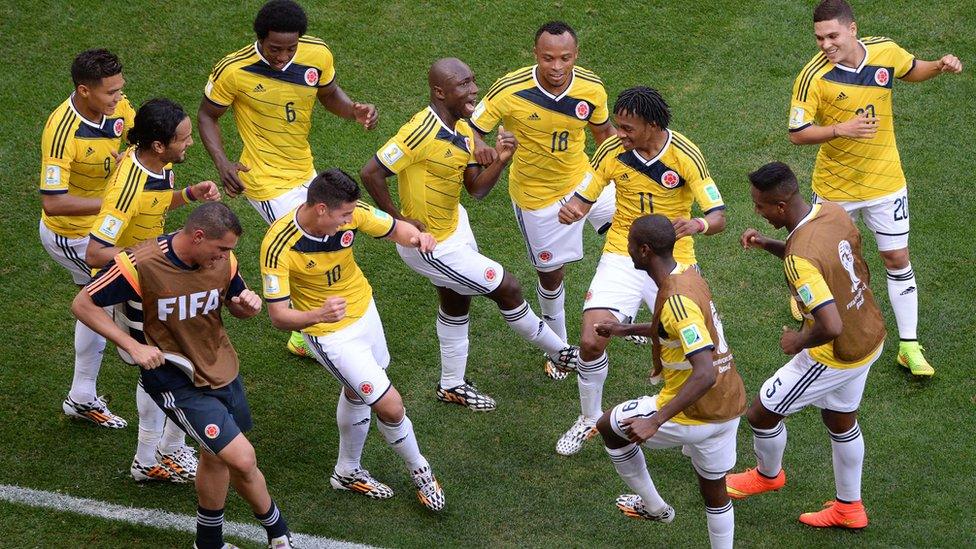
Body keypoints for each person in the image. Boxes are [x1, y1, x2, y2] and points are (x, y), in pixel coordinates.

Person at [360, 58, 577, 412]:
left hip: (455, 225)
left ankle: (452, 385)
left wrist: (501, 160)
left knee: (455, 299)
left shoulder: (462, 129)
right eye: (463, 84)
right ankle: (563, 354)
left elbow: (475, 190)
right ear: (440, 92)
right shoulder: (419, 131)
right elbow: (371, 173)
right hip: (431, 245)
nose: (474, 89)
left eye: (473, 81)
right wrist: (399, 223)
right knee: (506, 286)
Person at [73, 202, 294, 549]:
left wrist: (244, 306)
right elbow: (83, 304)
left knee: (215, 455)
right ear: (198, 236)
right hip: (174, 378)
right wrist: (132, 346)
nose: (225, 257)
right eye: (221, 249)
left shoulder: (224, 262)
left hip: (220, 366)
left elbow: (234, 304)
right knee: (241, 457)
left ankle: (208, 544)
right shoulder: (138, 264)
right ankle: (281, 536)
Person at [787, 0, 962, 376]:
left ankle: (909, 346)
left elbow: (911, 69)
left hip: (886, 182)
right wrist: (839, 129)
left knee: (897, 259)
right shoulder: (812, 77)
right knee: (823, 263)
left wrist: (939, 66)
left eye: (832, 35)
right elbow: (797, 132)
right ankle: (809, 308)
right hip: (835, 189)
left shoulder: (884, 50)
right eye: (819, 37)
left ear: (852, 29)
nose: (825, 45)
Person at [198, 0, 378, 359]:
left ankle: (301, 332)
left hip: (304, 169)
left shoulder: (317, 53)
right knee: (309, 240)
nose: (282, 56)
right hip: (263, 179)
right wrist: (223, 162)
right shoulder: (233, 70)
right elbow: (207, 115)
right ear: (259, 40)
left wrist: (352, 108)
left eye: (290, 48)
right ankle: (308, 334)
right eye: (274, 48)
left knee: (322, 238)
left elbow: (328, 94)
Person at [261, 169, 445, 511]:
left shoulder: (351, 212)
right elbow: (278, 315)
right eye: (343, 215)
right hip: (330, 334)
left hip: (365, 310)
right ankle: (420, 469)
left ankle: (347, 471)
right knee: (390, 405)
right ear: (320, 209)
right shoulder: (278, 245)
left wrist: (417, 238)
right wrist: (317, 315)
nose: (350, 220)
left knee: (357, 391)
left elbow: (394, 228)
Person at [555, 86, 726, 455]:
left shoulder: (685, 156)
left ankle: (695, 422)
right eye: (617, 126)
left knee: (701, 349)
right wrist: (573, 210)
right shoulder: (611, 151)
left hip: (672, 260)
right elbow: (585, 196)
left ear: (652, 125)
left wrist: (698, 224)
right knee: (589, 340)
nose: (620, 134)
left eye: (628, 128)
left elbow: (718, 215)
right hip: (624, 251)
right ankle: (589, 418)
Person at [725, 162, 886, 530]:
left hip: (835, 353)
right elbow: (823, 258)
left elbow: (830, 325)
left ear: (780, 206)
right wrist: (770, 244)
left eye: (760, 206)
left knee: (762, 412)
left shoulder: (800, 258)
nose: (757, 212)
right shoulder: (831, 211)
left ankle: (768, 475)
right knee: (841, 420)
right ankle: (849, 508)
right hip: (870, 333)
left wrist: (797, 340)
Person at [469, 21, 616, 381]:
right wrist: (482, 147)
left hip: (584, 179)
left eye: (565, 57)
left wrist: (619, 175)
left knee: (636, 238)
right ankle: (560, 348)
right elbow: (471, 127)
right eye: (548, 57)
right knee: (552, 275)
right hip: (537, 198)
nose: (556, 66)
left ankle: (638, 315)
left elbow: (604, 136)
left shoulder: (591, 88)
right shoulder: (510, 89)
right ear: (535, 55)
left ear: (576, 55)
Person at [87, 98, 221, 483]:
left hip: (161, 279)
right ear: (159, 145)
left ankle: (168, 449)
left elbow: (156, 204)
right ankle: (151, 458)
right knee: (163, 366)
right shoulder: (129, 185)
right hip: (140, 286)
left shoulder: (156, 165)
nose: (190, 144)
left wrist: (190, 195)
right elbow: (96, 250)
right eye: (183, 139)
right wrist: (152, 258)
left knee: (184, 359)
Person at [593, 214, 745, 549]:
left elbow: (704, 371)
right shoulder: (687, 277)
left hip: (693, 411)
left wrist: (655, 421)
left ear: (644, 250)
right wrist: (623, 329)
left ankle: (655, 508)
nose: (627, 248)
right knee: (714, 489)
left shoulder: (676, 300)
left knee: (609, 427)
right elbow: (672, 328)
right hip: (729, 404)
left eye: (631, 243)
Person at [39, 49, 134, 429]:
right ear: (84, 91)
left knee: (98, 300)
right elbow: (54, 202)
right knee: (122, 287)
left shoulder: (117, 106)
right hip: (74, 237)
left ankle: (80, 396)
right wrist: (114, 202)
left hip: (104, 225)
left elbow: (137, 133)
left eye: (120, 89)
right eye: (111, 92)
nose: (119, 98)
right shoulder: (62, 132)